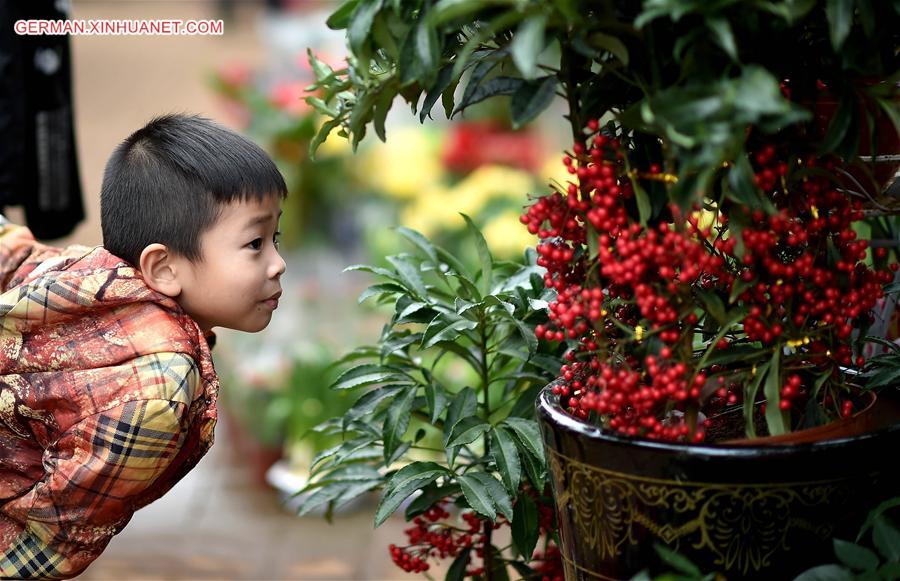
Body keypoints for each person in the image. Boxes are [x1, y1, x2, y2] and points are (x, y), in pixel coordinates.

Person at [0, 114, 287, 579]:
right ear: (164, 268)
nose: (278, 264)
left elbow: (17, 255)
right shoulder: (158, 398)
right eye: (255, 243)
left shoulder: (92, 272)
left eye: (276, 237)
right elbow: (51, 543)